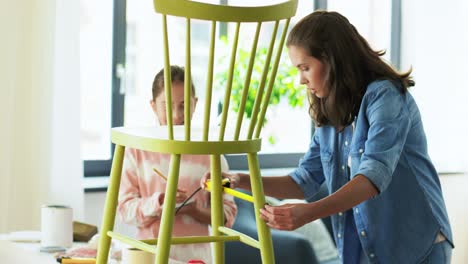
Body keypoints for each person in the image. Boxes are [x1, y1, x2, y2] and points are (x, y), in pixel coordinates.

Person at [202, 11, 453, 264]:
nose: (301, 79)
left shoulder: (385, 97)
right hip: (369, 249)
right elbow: (304, 181)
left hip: (416, 246)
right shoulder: (330, 112)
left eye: (305, 67)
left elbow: (372, 177)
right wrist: (239, 179)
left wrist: (308, 213)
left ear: (333, 59)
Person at [118, 65, 237, 264]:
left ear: (195, 104)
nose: (176, 115)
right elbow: (124, 211)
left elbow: (228, 215)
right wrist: (160, 202)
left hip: (196, 258)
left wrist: (192, 210)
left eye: (184, 105)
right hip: (148, 256)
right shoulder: (136, 151)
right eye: (167, 105)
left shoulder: (212, 155)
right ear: (153, 105)